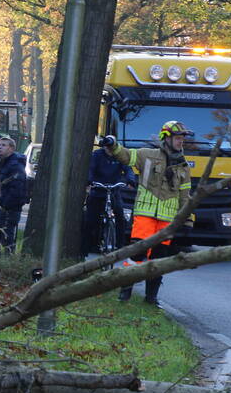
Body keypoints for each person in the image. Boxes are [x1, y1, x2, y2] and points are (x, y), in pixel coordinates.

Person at [100, 120, 193, 306]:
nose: (180, 141)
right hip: (144, 216)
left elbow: (185, 196)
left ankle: (151, 299)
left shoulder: (183, 167)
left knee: (158, 261)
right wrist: (113, 145)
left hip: (166, 222)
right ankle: (124, 294)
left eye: (182, 138)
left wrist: (188, 219)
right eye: (177, 137)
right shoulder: (147, 155)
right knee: (136, 257)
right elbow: (126, 156)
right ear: (166, 138)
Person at [82, 141, 136, 253]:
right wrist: (89, 181)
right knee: (91, 219)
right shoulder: (97, 155)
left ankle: (120, 246)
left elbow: (128, 169)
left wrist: (130, 181)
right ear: (105, 147)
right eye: (108, 148)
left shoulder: (119, 155)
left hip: (114, 190)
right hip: (98, 190)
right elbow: (90, 169)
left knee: (120, 217)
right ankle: (87, 247)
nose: (110, 150)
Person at [0, 136, 28, 257]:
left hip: (9, 209)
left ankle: (7, 263)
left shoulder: (16, 165)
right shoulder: (0, 163)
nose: (0, 147)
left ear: (11, 148)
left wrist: (5, 204)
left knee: (7, 239)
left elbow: (16, 189)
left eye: (3, 145)